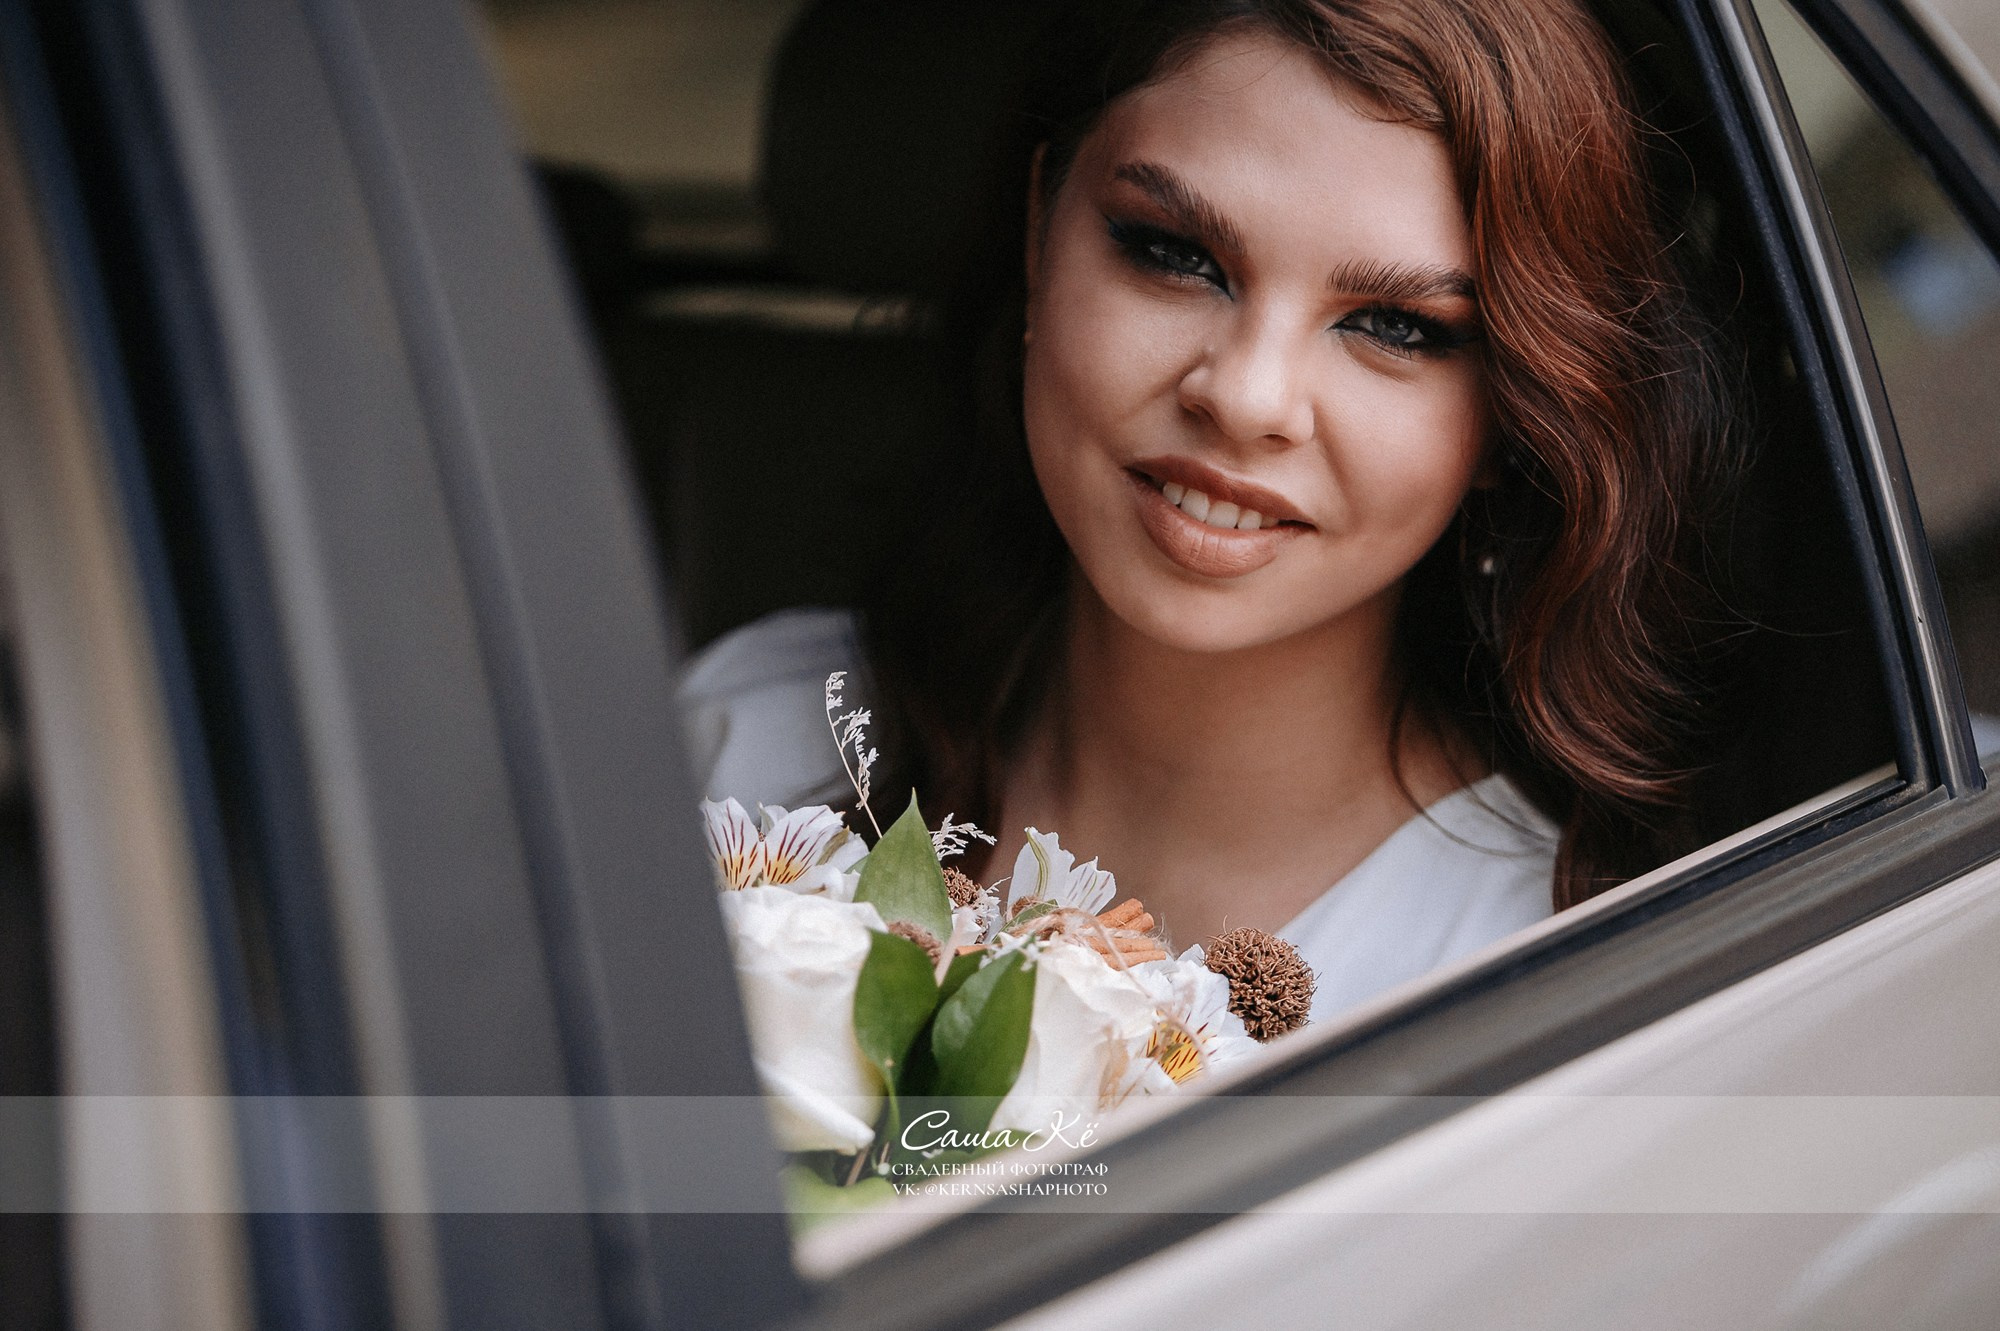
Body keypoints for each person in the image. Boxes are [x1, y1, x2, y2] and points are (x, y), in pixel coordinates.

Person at [679, 0, 1739, 1022]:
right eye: (1174, 254)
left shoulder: (1526, 985)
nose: (1244, 396)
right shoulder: (747, 745)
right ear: (1040, 229)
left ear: (1517, 414)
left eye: (1397, 326)